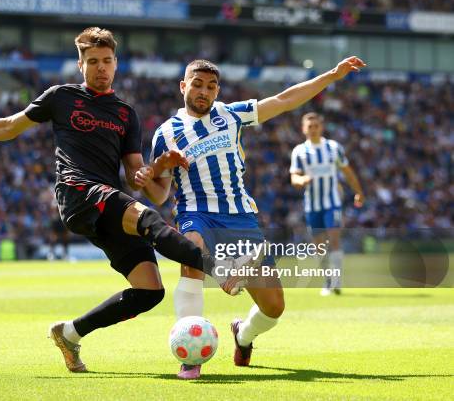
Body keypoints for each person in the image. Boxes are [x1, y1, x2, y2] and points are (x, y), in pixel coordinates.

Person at [0, 27, 234, 373]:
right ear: (81, 65)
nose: (101, 68)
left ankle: (69, 333)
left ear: (116, 63)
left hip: (108, 203)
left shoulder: (126, 114)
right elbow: (8, 126)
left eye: (107, 61)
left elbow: (137, 174)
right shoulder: (61, 97)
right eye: (93, 61)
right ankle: (221, 269)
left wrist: (150, 173)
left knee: (150, 291)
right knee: (149, 220)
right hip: (78, 193)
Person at [135, 56, 367, 379]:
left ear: (217, 91)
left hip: (241, 217)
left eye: (211, 86)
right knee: (191, 250)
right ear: (183, 86)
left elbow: (284, 100)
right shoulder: (166, 133)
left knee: (274, 307)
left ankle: (243, 334)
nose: (204, 91)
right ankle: (191, 357)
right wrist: (150, 180)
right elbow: (160, 195)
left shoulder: (231, 115)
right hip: (196, 213)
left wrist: (331, 74)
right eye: (198, 85)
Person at [290, 112, 365, 296]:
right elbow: (294, 177)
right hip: (312, 205)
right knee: (319, 246)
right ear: (303, 129)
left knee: (335, 238)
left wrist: (359, 191)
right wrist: (301, 180)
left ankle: (337, 282)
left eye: (316, 126)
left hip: (332, 203)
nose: (313, 129)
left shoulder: (333, 147)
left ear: (321, 127)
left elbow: (347, 171)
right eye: (310, 126)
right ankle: (328, 281)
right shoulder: (299, 151)